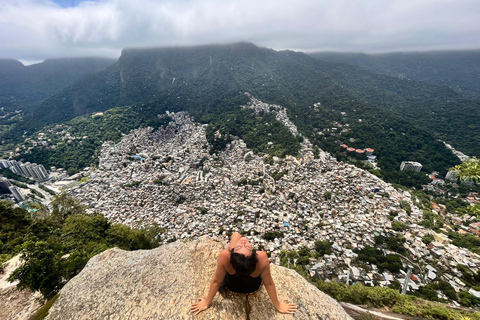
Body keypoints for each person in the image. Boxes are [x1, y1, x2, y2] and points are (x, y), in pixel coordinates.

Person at [191, 232, 297, 315]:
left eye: (243, 246)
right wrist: (278, 306)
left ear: (232, 256)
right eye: (245, 246)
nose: (243, 241)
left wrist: (207, 303)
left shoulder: (225, 256)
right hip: (253, 288)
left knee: (236, 235)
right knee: (238, 236)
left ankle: (235, 248)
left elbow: (217, 281)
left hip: (231, 287)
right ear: (254, 256)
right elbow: (268, 284)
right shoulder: (262, 258)